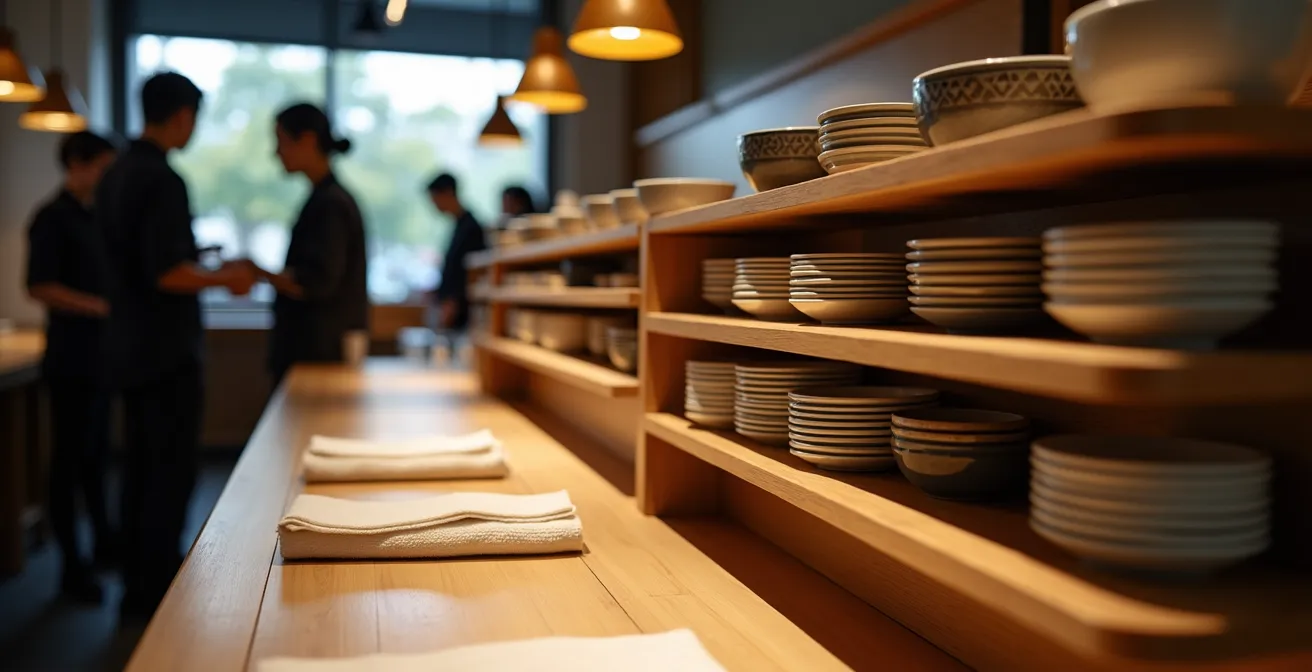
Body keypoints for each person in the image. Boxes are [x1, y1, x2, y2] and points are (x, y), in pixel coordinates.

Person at [97, 72, 256, 622]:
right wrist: (226, 279)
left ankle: (136, 587)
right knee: (170, 472)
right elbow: (164, 272)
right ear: (183, 115)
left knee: (137, 469)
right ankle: (158, 588)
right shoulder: (163, 178)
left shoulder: (115, 173)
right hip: (165, 352)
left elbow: (138, 261)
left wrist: (196, 259)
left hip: (125, 346)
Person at [24, 131, 118, 603]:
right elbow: (38, 285)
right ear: (78, 164)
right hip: (69, 357)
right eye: (103, 166)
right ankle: (70, 567)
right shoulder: (52, 217)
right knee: (68, 461)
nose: (108, 176)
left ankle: (103, 545)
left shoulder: (95, 216)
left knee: (97, 456)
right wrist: (96, 306)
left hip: (99, 357)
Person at [255, 103, 369, 384]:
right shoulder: (326, 198)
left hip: (319, 350)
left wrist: (259, 272)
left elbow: (317, 281)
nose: (276, 152)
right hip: (315, 348)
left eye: (281, 142)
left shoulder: (330, 204)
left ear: (306, 140)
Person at [429, 173, 486, 331]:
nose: (434, 204)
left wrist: (452, 301)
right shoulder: (459, 225)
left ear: (447, 193)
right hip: (454, 306)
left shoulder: (470, 228)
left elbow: (467, 272)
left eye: (434, 198)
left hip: (462, 310)